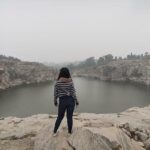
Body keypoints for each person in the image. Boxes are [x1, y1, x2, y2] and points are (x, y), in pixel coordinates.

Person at [53, 67, 79, 137]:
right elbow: (73, 92)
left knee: (60, 117)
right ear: (68, 73)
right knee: (69, 117)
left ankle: (55, 132)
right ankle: (69, 132)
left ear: (60, 73)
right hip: (71, 100)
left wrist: (55, 101)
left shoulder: (57, 83)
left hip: (62, 101)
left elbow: (55, 93)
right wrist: (76, 101)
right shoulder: (70, 81)